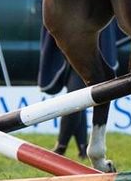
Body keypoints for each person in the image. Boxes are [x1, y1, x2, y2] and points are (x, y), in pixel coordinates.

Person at [38, 22, 118, 158]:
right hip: (68, 48)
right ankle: (82, 148)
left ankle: (60, 147)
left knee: (75, 98)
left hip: (87, 49)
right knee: (78, 98)